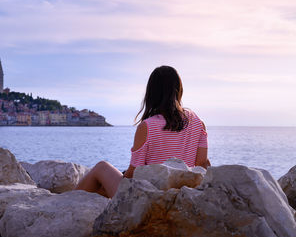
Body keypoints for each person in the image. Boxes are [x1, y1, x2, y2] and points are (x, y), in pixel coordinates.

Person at [75, 66, 210, 198]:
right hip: (182, 195)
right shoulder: (198, 123)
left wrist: (120, 177)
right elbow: (201, 166)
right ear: (179, 90)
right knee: (102, 188)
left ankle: (64, 202)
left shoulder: (147, 126)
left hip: (146, 197)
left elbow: (133, 174)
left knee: (102, 168)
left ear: (151, 93)